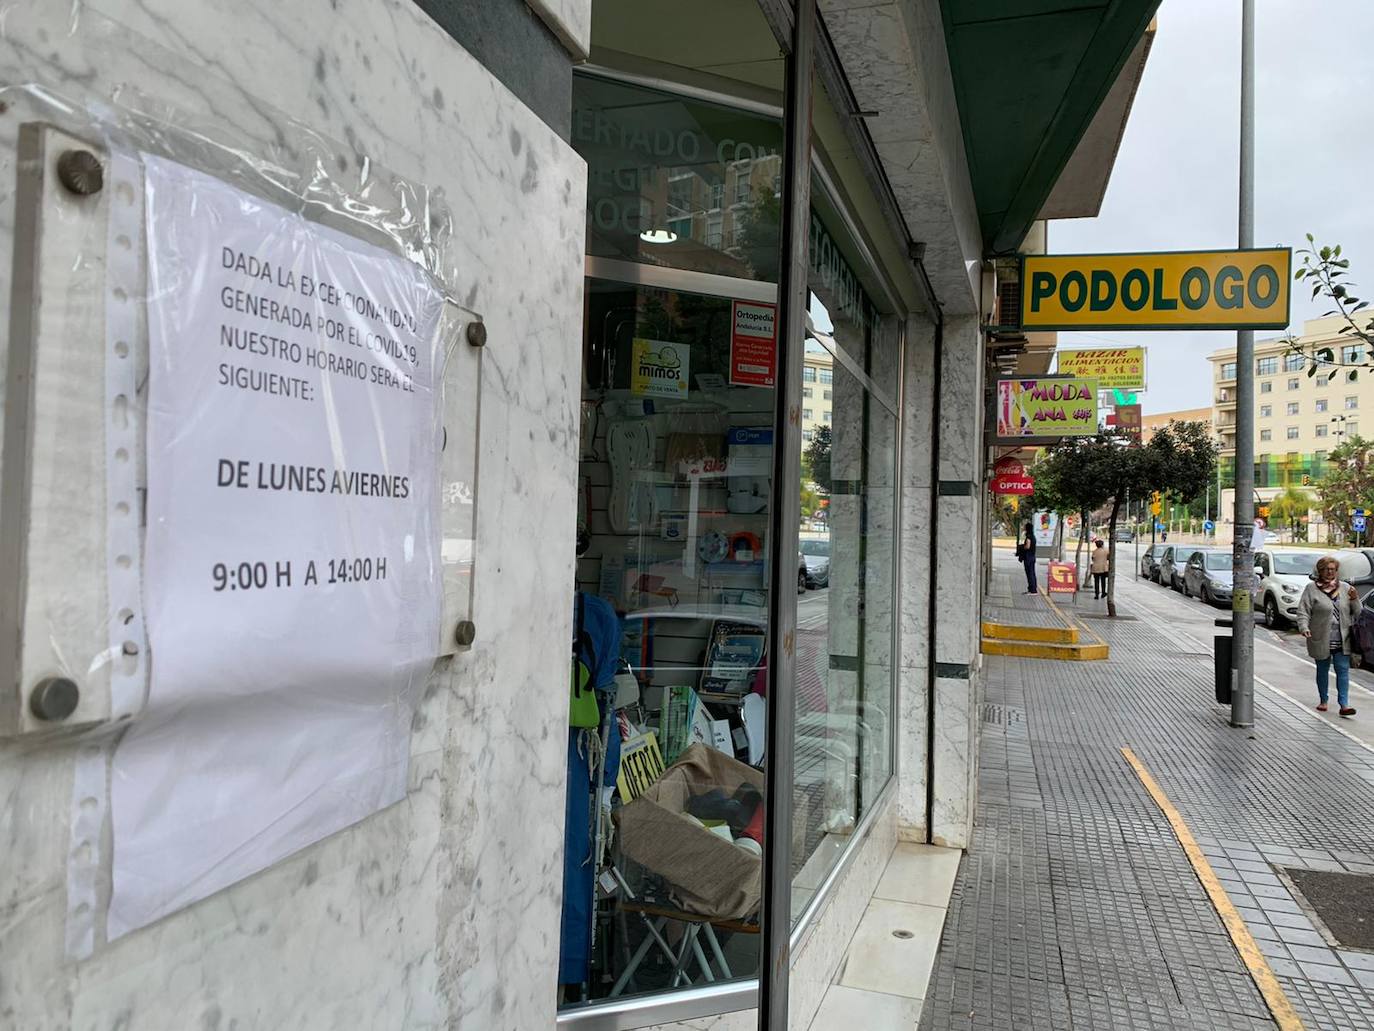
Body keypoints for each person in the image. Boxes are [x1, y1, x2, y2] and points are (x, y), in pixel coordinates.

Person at [1297, 556, 1360, 717]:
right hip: (1320, 636)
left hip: (1342, 638)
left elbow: (1358, 613)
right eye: (1326, 569)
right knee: (1323, 669)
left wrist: (1355, 599)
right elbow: (1303, 610)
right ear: (1320, 571)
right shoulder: (1312, 588)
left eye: (1333, 569)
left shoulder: (1346, 588)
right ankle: (1323, 700)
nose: (1330, 572)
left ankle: (1344, 705)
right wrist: (1304, 627)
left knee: (1342, 670)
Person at [1014, 520, 1038, 594]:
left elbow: (1027, 546)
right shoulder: (1033, 536)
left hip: (1028, 557)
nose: (1024, 528)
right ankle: (1033, 588)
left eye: (1025, 527)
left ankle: (1032, 589)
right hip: (1032, 557)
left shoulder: (1029, 537)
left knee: (1029, 573)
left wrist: (1021, 548)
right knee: (1032, 573)